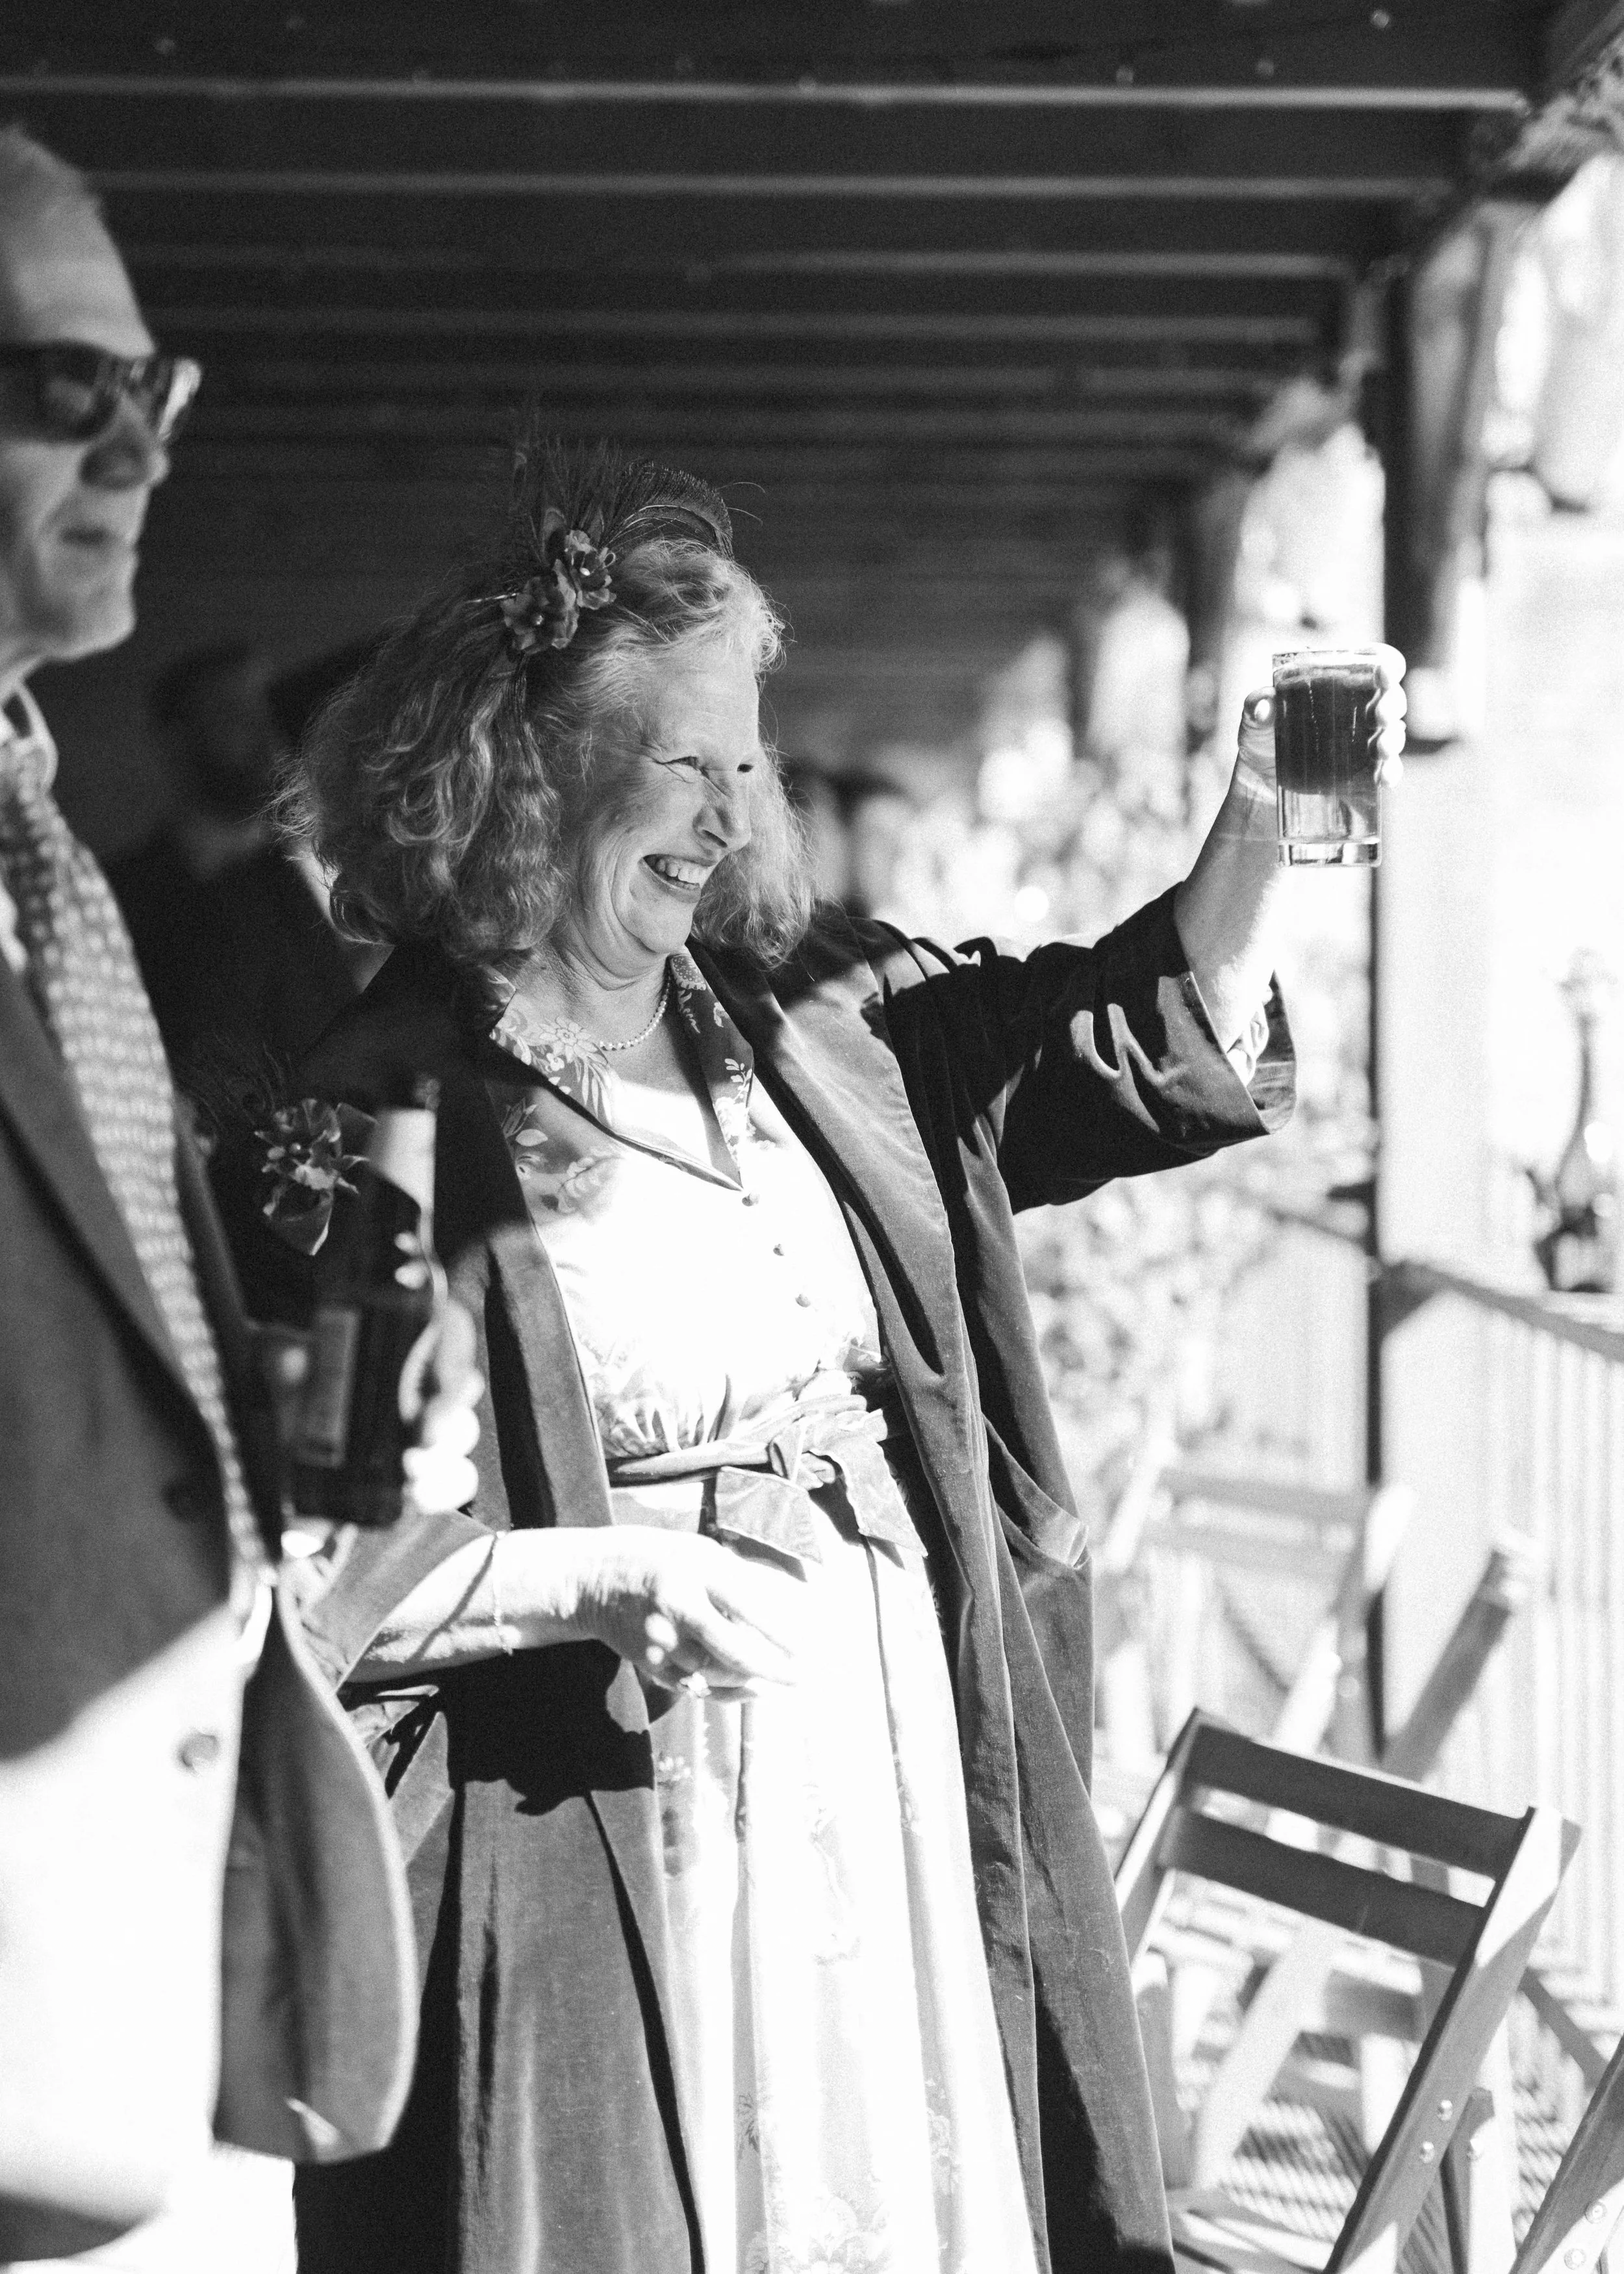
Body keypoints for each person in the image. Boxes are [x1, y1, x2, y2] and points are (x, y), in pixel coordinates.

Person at [266, 438, 1403, 2274]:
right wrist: (601, 1572)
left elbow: (1097, 1041)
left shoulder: (817, 1026)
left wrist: (1261, 819)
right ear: (527, 777)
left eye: (745, 762)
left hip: (879, 1748)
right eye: (678, 764)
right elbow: (307, 1566)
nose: (727, 816)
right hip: (601, 1805)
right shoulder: (375, 1110)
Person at [0, 127, 480, 2268]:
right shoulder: (176, 908)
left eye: (155, 395)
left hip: (162, 2003)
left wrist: (258, 1385)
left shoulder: (48, 853)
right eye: (58, 389)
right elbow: (246, 1097)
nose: (137, 450)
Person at [107, 643, 363, 1085]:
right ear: (177, 740)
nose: (267, 736)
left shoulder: (321, 872)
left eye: (267, 711)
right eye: (233, 715)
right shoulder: (122, 894)